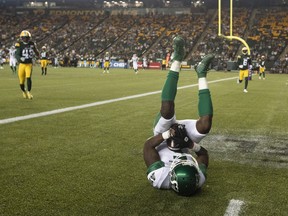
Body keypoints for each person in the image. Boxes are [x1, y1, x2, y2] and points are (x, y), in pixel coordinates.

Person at [143, 36, 214, 196]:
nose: (184, 160)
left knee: (167, 110)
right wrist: (190, 146)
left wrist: (167, 134)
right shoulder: (199, 178)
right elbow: (203, 154)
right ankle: (202, 72)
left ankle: (177, 59)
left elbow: (147, 146)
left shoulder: (160, 178)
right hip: (185, 141)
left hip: (162, 137)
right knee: (205, 125)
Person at [15, 30, 40, 99]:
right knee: (21, 81)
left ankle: (29, 92)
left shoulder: (32, 43)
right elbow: (16, 54)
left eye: (27, 37)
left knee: (28, 77)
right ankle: (24, 91)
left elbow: (36, 51)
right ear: (21, 38)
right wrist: (20, 58)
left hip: (29, 64)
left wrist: (38, 55)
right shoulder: (19, 44)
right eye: (24, 37)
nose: (26, 39)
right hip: (22, 64)